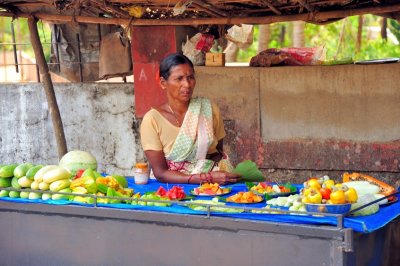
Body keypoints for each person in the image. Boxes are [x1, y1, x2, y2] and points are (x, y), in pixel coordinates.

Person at [140, 53, 241, 185]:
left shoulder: (208, 109)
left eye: (190, 77)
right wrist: (205, 178)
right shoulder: (152, 120)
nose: (187, 84)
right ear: (163, 83)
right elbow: (161, 173)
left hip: (211, 189)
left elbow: (217, 152)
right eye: (179, 79)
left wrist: (213, 173)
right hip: (171, 189)